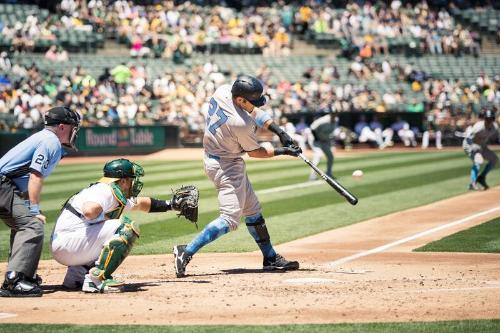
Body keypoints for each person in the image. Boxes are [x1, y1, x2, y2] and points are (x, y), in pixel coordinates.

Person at [173, 74, 302, 278]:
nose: (255, 104)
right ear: (240, 99)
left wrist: (280, 132)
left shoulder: (224, 90)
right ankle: (185, 251)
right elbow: (255, 153)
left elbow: (255, 110)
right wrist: (283, 151)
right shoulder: (240, 124)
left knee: (252, 211)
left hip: (219, 157)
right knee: (230, 219)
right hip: (225, 165)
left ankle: (270, 258)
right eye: (251, 100)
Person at [50, 159, 198, 292]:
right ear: (123, 181)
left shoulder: (112, 191)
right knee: (126, 227)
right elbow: (89, 211)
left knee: (106, 229)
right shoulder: (104, 191)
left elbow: (140, 204)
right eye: (131, 179)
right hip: (68, 244)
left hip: (67, 246)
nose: (134, 183)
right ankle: (97, 279)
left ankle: (75, 277)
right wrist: (105, 216)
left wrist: (171, 205)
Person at [0, 106, 81, 297]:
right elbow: (35, 176)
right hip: (2, 186)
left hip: (5, 186)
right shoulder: (50, 141)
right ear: (62, 126)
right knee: (32, 226)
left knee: (22, 224)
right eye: (73, 126)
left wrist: (30, 206)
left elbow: (26, 178)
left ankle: (22, 274)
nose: (75, 131)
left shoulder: (44, 138)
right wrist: (34, 209)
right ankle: (15, 280)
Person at [463, 108, 498, 190]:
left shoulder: (495, 127)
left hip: (481, 145)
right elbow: (468, 139)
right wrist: (473, 150)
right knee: (477, 161)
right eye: (487, 118)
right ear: (484, 119)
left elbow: (497, 138)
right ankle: (472, 183)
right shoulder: (478, 127)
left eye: (491, 119)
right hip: (470, 145)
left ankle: (481, 178)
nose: (489, 121)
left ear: (493, 119)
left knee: (494, 159)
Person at [307, 112, 336, 180]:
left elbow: (329, 133)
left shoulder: (336, 119)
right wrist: (317, 138)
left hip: (324, 140)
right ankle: (312, 175)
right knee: (318, 155)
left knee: (330, 156)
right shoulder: (323, 120)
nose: (335, 115)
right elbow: (312, 128)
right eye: (333, 113)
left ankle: (328, 173)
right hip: (315, 139)